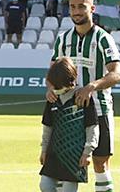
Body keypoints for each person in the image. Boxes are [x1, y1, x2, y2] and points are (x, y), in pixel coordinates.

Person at [47, 0, 120, 192]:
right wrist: (50, 89)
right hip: (68, 114)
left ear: (92, 8)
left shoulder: (103, 38)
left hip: (98, 110)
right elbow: (52, 73)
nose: (76, 11)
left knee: (100, 163)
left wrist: (91, 86)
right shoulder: (63, 40)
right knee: (64, 162)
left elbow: (117, 74)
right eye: (73, 7)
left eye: (81, 6)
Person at [39, 57, 99, 192]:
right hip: (54, 152)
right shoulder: (52, 98)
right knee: (45, 185)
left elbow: (92, 126)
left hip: (75, 154)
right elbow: (47, 126)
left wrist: (87, 152)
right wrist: (44, 149)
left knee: (68, 189)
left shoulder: (82, 97)